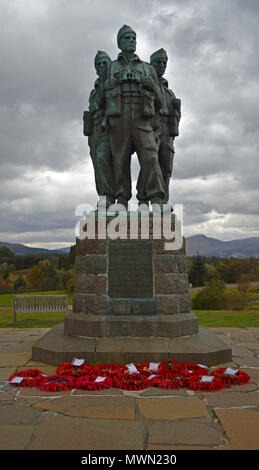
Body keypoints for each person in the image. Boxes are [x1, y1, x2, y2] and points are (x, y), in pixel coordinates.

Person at [101, 25, 165, 209]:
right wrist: (109, 85)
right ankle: (121, 199)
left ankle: (156, 198)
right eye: (127, 38)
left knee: (151, 157)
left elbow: (159, 102)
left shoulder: (147, 69)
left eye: (133, 38)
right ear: (119, 42)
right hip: (118, 118)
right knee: (120, 160)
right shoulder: (110, 67)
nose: (131, 41)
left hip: (141, 118)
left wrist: (151, 86)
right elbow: (100, 101)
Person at [136, 48, 181, 205]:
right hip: (151, 128)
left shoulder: (170, 93)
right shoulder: (146, 84)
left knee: (166, 168)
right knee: (149, 163)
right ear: (152, 64)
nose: (162, 65)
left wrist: (177, 111)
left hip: (167, 132)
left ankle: (162, 202)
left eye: (164, 62)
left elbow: (176, 117)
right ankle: (143, 199)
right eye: (158, 62)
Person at [83, 50, 115, 208]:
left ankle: (117, 198)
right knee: (99, 165)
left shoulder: (114, 84)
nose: (102, 66)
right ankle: (105, 197)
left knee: (108, 160)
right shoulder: (94, 91)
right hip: (96, 131)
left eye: (105, 63)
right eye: (99, 64)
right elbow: (94, 106)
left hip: (113, 129)